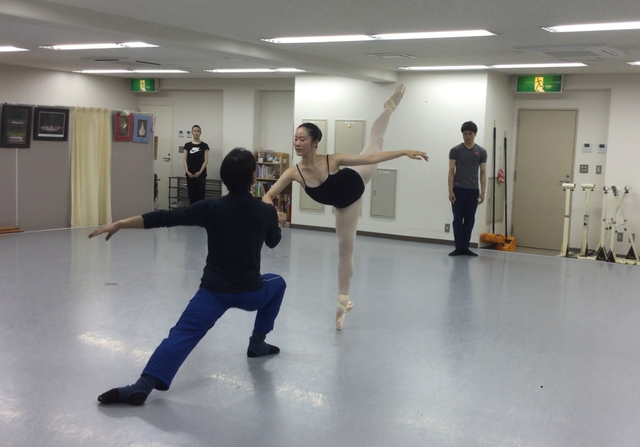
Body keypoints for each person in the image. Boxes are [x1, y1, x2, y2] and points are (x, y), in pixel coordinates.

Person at [90, 148, 286, 406]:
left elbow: (166, 217)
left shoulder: (212, 207)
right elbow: (273, 242)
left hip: (214, 292)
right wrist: (276, 221)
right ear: (253, 177)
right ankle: (257, 344)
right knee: (278, 283)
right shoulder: (265, 211)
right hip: (250, 293)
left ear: (224, 177)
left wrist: (121, 223)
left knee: (182, 333)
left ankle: (142, 386)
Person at [263, 84, 428, 330]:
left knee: (375, 140)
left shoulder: (333, 159)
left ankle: (389, 108)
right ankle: (343, 301)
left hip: (357, 178)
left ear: (315, 142)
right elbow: (267, 196)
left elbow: (370, 158)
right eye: (295, 138)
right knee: (344, 249)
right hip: (344, 205)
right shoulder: (293, 173)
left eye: (302, 139)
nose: (297, 143)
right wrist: (274, 211)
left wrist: (404, 152)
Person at [447, 121, 487, 257]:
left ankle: (466, 247)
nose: (467, 136)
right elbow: (451, 171)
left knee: (470, 219)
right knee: (458, 219)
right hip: (458, 189)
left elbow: (483, 172)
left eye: (470, 134)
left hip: (473, 190)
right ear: (462, 134)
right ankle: (458, 247)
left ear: (475, 134)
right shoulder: (455, 150)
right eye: (465, 134)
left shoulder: (481, 152)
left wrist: (483, 192)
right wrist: (450, 190)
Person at [183, 124, 210, 204]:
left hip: (201, 175)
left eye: (198, 131)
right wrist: (187, 171)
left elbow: (206, 160)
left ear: (200, 132)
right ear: (192, 132)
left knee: (201, 196)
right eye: (194, 131)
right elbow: (184, 160)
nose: (196, 133)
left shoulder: (204, 146)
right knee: (191, 195)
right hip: (190, 175)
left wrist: (200, 172)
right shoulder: (187, 145)